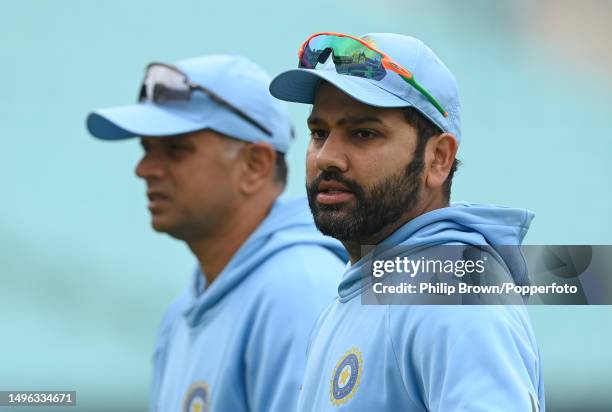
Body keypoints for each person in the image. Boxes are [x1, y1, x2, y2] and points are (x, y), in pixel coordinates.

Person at [270, 32, 545, 411]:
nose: (326, 157)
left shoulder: (453, 290)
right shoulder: (360, 295)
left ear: (438, 159)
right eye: (319, 132)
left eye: (364, 133)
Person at [86, 54, 346, 412]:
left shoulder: (296, 291)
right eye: (146, 148)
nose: (143, 168)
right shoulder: (184, 311)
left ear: (255, 166)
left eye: (176, 150)